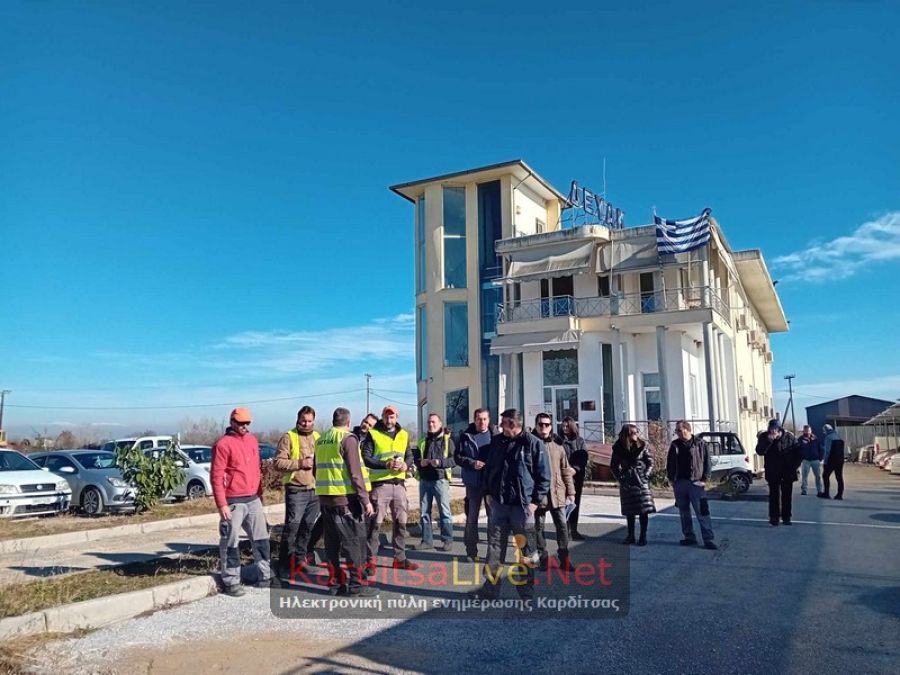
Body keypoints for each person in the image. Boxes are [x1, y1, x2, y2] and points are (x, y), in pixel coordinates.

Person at [476, 408, 551, 600]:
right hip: (499, 505)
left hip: (523, 507)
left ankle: (526, 591)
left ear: (513, 424)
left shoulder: (534, 444)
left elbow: (544, 476)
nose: (500, 426)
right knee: (494, 547)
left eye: (503, 423)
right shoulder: (497, 442)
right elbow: (489, 469)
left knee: (527, 549)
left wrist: (535, 502)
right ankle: (490, 589)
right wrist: (487, 494)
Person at [211, 407, 271, 597]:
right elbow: (216, 476)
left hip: (253, 499)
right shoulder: (222, 444)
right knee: (230, 542)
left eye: (248, 423)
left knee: (261, 539)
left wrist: (260, 496)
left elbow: (256, 471)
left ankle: (266, 575)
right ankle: (231, 581)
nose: (245, 426)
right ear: (232, 422)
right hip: (233, 501)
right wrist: (222, 505)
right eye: (241, 423)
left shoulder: (252, 441)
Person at [315, 407, 374, 596]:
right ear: (348, 422)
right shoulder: (347, 439)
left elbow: (316, 469)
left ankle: (335, 584)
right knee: (353, 543)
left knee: (331, 545)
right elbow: (355, 473)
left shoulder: (322, 439)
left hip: (325, 499)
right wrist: (365, 500)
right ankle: (357, 585)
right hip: (344, 500)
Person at [361, 405, 418, 570]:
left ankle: (400, 558)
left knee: (401, 523)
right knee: (375, 525)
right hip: (380, 485)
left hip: (399, 485)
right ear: (382, 417)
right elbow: (366, 458)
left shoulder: (404, 434)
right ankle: (370, 561)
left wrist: (406, 466)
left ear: (397, 417)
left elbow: (409, 456)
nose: (389, 419)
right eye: (386, 416)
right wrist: (385, 464)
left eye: (392, 417)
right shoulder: (373, 434)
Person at [273, 406, 321, 581]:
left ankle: (300, 560)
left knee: (307, 527)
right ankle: (284, 565)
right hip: (296, 489)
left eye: (309, 421)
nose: (306, 424)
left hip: (314, 490)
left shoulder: (317, 437)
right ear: (298, 419)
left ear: (314, 421)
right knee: (292, 528)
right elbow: (278, 463)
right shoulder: (289, 437)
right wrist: (300, 463)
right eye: (303, 420)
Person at [531, 412, 575, 569]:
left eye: (547, 424)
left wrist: (571, 492)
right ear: (536, 425)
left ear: (551, 426)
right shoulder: (530, 444)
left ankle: (564, 559)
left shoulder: (558, 446)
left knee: (562, 527)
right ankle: (543, 559)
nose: (544, 427)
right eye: (541, 424)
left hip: (557, 494)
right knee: (538, 529)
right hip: (538, 496)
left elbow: (566, 470)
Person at [666, 420, 717, 550]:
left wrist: (705, 479)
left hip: (696, 482)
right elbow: (670, 463)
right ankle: (689, 536)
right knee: (684, 512)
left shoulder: (700, 443)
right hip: (680, 482)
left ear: (687, 430)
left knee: (702, 512)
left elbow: (707, 463)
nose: (676, 433)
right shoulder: (675, 445)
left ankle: (708, 539)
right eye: (676, 431)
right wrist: (672, 479)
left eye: (678, 430)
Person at [454, 408, 496, 561]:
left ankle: (493, 553)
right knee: (472, 517)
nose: (482, 422)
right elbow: (457, 457)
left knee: (493, 518)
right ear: (474, 419)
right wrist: (471, 463)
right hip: (473, 483)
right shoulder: (466, 436)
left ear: (489, 420)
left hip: (491, 484)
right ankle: (471, 551)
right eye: (479, 419)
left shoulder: (496, 436)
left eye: (485, 419)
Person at [413, 413, 456, 551]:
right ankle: (427, 541)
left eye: (433, 422)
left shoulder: (448, 440)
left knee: (444, 511)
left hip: (440, 480)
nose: (431, 425)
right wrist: (421, 462)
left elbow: (454, 460)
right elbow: (415, 459)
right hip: (425, 480)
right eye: (429, 422)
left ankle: (447, 540)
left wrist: (440, 462)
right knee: (424, 512)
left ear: (440, 424)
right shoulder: (422, 441)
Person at [610, 424, 656, 546]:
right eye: (633, 433)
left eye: (637, 432)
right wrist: (621, 479)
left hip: (641, 481)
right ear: (627, 435)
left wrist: (645, 475)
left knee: (643, 511)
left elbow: (650, 462)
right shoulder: (618, 448)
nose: (636, 435)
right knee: (630, 511)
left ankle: (643, 536)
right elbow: (614, 466)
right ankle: (630, 535)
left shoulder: (643, 445)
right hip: (628, 481)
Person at [755, 419, 800, 526]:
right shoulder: (764, 437)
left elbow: (798, 453)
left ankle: (786, 517)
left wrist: (794, 466)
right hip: (772, 471)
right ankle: (774, 517)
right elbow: (759, 451)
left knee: (787, 495)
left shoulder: (789, 437)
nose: (773, 431)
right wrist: (768, 441)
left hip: (787, 471)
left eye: (775, 429)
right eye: (771, 429)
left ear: (779, 429)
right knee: (774, 495)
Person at [561, 417, 588, 541]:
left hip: (577, 477)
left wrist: (575, 469)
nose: (564, 428)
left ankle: (574, 530)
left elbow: (583, 456)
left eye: (567, 426)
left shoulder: (580, 441)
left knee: (575, 504)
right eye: (563, 426)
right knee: (563, 505)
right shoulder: (558, 440)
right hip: (563, 478)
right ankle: (564, 530)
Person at [797, 425, 823, 496]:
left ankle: (819, 490)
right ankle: (804, 490)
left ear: (811, 431)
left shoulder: (816, 439)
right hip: (806, 460)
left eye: (809, 430)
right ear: (804, 431)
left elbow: (820, 449)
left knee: (818, 476)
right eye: (806, 430)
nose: (807, 432)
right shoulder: (800, 439)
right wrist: (800, 459)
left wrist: (820, 458)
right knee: (804, 476)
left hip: (815, 460)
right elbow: (797, 450)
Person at [821, 424, 845, 500]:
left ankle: (826, 493)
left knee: (825, 476)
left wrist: (825, 461)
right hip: (840, 460)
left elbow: (827, 451)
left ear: (826, 430)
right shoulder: (838, 436)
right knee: (839, 477)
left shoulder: (828, 437)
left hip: (831, 460)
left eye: (824, 431)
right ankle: (839, 495)